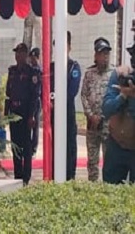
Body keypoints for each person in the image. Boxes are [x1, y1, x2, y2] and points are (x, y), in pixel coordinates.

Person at [5, 43, 41, 185]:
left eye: (20, 53)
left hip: (26, 112)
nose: (18, 56)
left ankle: (26, 177)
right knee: (15, 145)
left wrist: (32, 115)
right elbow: (8, 93)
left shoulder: (32, 72)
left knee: (26, 146)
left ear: (25, 55)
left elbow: (35, 95)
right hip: (14, 111)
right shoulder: (12, 71)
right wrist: (6, 112)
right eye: (16, 53)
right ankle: (17, 175)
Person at [80, 38, 114, 181]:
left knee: (109, 161)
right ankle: (92, 187)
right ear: (96, 55)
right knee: (92, 161)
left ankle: (107, 187)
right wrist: (90, 115)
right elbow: (84, 95)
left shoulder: (114, 74)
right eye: (102, 54)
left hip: (108, 125)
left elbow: (115, 98)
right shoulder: (89, 74)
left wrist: (104, 115)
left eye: (107, 54)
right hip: (92, 125)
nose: (105, 57)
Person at [101, 43, 135, 183]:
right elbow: (106, 109)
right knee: (109, 189)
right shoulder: (121, 75)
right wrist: (123, 96)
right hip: (117, 145)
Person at [50, 31, 82, 180]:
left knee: (69, 148)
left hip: (67, 113)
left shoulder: (73, 67)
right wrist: (50, 100)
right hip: (53, 113)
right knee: (54, 148)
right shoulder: (51, 68)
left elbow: (72, 91)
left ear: (69, 47)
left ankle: (70, 178)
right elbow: (46, 88)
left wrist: (57, 101)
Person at [28, 48, 42, 155]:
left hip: (36, 100)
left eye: (33, 58)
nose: (32, 60)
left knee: (35, 124)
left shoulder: (39, 71)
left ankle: (34, 147)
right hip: (29, 99)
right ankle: (29, 145)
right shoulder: (30, 69)